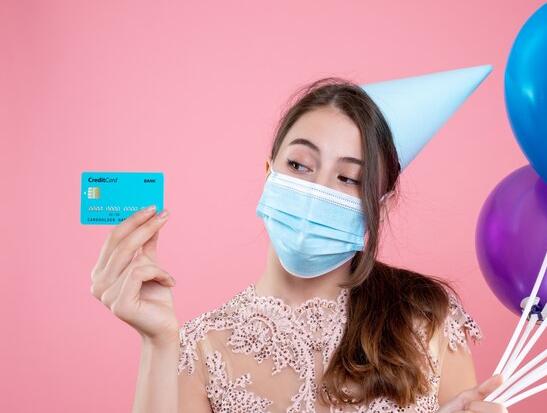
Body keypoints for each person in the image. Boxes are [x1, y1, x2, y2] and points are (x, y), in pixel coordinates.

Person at [90, 77, 507, 413]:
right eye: (300, 165)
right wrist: (157, 342)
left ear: (377, 204)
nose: (316, 190)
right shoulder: (201, 348)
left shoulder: (425, 317)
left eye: (349, 179)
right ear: (268, 171)